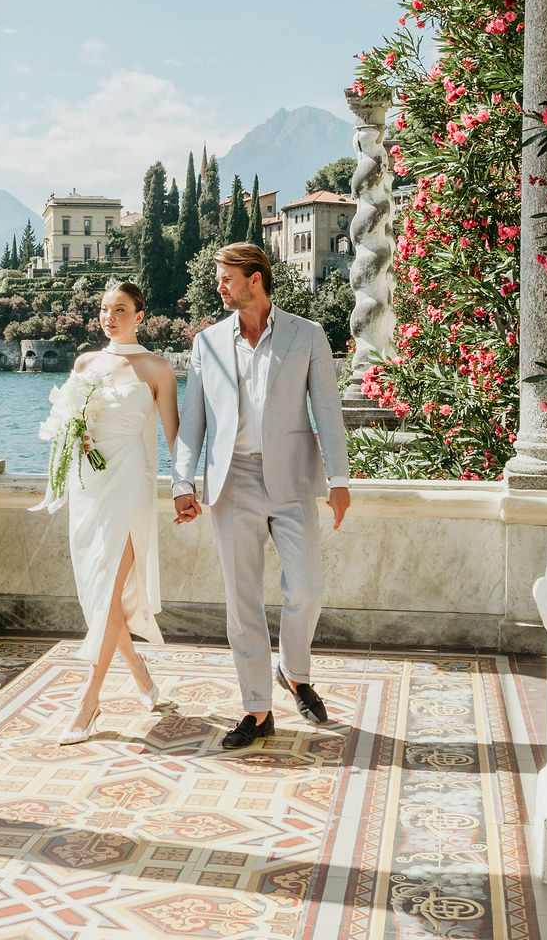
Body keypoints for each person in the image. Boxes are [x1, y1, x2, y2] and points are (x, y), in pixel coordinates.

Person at [172, 242, 350, 749]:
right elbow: (194, 424)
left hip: (292, 480)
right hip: (233, 483)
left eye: (227, 278)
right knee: (242, 600)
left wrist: (339, 480)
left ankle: (294, 672)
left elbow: (328, 414)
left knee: (308, 589)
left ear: (256, 279)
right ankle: (256, 710)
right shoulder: (206, 343)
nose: (219, 286)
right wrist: (183, 483)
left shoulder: (307, 335)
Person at [44, 281, 179, 744]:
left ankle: (89, 702)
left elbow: (173, 436)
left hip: (130, 484)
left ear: (140, 315)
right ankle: (140, 671)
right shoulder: (85, 363)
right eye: (104, 309)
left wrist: (185, 488)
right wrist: (72, 436)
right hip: (90, 484)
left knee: (110, 586)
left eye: (119, 309)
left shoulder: (158, 369)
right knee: (98, 588)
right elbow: (71, 423)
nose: (109, 317)